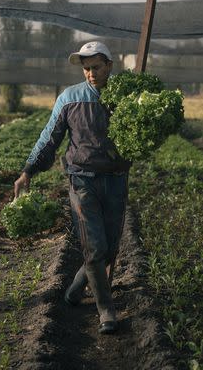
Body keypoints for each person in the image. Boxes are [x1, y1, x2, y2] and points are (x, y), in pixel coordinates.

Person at [14, 41, 130, 335]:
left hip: (116, 180)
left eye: (96, 68)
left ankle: (76, 289)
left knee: (110, 248)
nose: (91, 74)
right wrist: (28, 170)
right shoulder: (69, 99)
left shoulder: (126, 97)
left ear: (110, 66)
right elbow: (49, 138)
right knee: (94, 247)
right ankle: (106, 309)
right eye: (86, 69)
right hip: (81, 180)